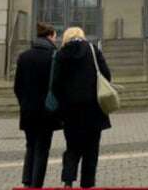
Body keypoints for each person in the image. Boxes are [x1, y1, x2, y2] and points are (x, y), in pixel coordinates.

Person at [52, 27, 111, 188]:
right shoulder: (92, 50)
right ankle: (87, 183)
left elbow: (55, 83)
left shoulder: (61, 54)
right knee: (91, 149)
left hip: (70, 111)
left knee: (72, 147)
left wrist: (62, 103)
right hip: (93, 109)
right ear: (82, 36)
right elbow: (106, 74)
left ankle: (68, 180)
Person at [14, 22, 60, 189]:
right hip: (46, 111)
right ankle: (36, 185)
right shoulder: (55, 56)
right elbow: (57, 85)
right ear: (50, 36)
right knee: (42, 149)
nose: (56, 39)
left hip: (28, 110)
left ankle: (27, 181)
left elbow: (17, 87)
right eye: (55, 36)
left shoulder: (24, 56)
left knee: (30, 146)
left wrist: (24, 103)